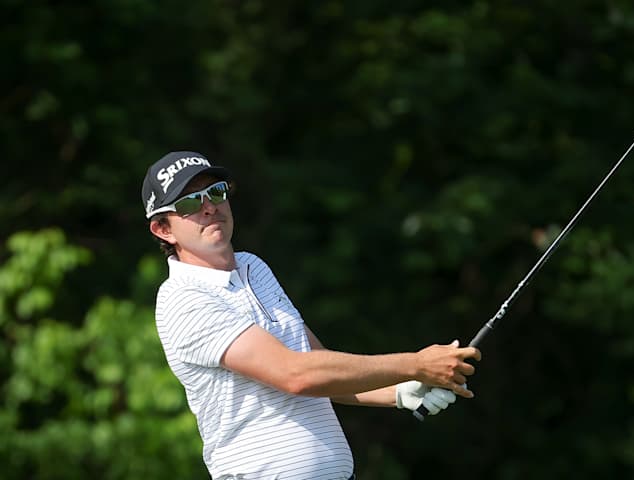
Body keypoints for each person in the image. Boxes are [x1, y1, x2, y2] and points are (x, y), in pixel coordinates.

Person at [142, 151, 481, 480]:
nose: (209, 207)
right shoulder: (183, 299)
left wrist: (397, 391)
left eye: (215, 192)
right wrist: (416, 364)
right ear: (163, 229)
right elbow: (295, 375)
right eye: (189, 203)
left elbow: (315, 362)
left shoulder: (253, 267)